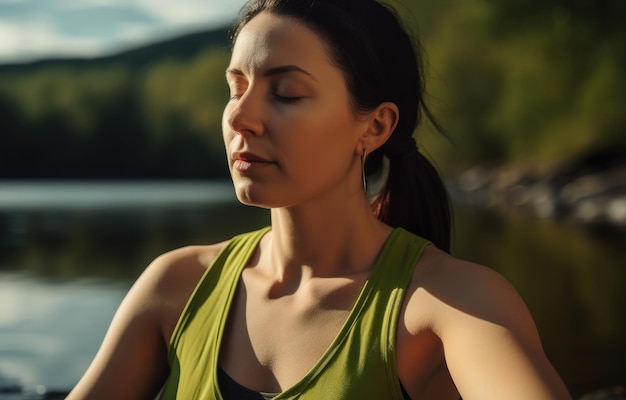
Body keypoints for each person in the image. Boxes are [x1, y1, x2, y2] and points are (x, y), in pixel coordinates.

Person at [67, 0, 573, 399]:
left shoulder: (449, 305)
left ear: (374, 126)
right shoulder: (176, 287)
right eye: (235, 87)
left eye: (285, 93)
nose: (241, 118)